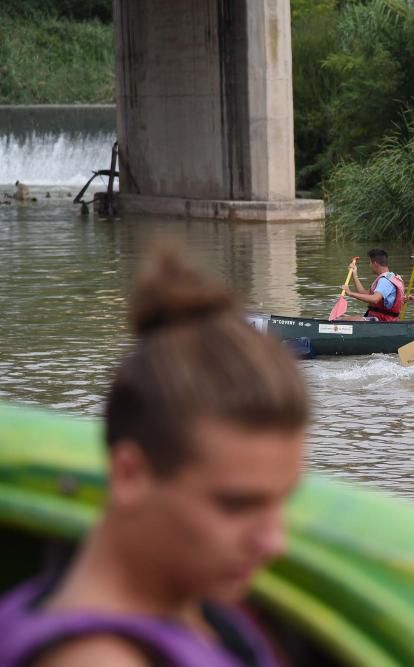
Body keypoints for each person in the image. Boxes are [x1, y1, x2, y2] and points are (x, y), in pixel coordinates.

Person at [0, 244, 309, 667]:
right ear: (130, 476)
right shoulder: (96, 659)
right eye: (236, 505)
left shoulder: (191, 600)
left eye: (283, 499)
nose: (274, 542)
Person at [341, 249, 405, 321]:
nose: (369, 265)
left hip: (384, 321)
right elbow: (363, 293)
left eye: (370, 263)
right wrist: (354, 273)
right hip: (382, 319)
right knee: (343, 317)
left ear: (375, 263)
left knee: (347, 319)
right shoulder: (390, 277)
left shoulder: (385, 281)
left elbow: (374, 299)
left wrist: (350, 293)